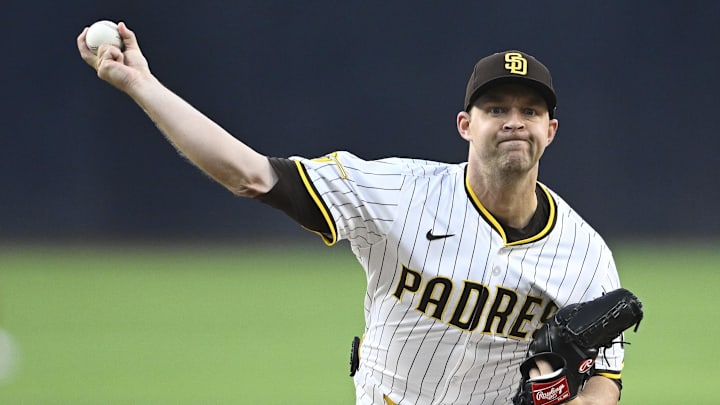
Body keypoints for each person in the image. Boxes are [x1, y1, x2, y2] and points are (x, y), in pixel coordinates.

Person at [77, 22, 627, 405]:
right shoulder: (394, 192)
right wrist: (141, 84)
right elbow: (249, 174)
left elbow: (604, 385)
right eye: (496, 109)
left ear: (550, 131)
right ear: (466, 125)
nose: (514, 121)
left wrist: (558, 394)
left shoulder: (584, 256)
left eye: (530, 111)